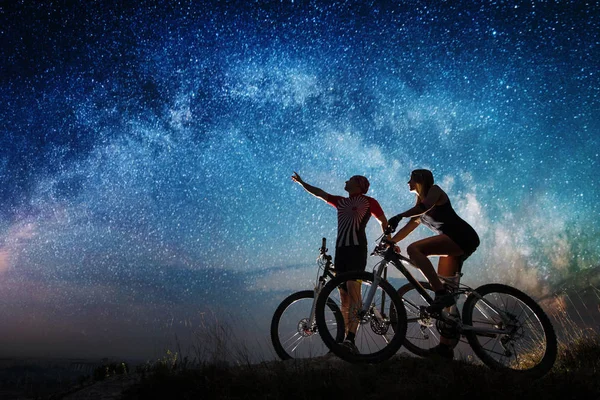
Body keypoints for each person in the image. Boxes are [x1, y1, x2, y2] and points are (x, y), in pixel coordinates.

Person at [386, 169, 480, 360]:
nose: (407, 183)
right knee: (447, 291)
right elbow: (408, 227)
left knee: (414, 250)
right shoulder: (418, 206)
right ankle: (445, 347)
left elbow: (424, 207)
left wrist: (399, 215)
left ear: (420, 179)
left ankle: (440, 294)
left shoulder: (435, 191)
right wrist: (391, 242)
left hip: (461, 236)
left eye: (410, 179)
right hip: (453, 242)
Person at [291, 172, 388, 354]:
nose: (346, 181)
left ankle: (351, 338)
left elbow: (383, 221)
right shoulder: (341, 201)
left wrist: (387, 240)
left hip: (357, 250)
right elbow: (320, 193)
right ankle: (344, 340)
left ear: (359, 185)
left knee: (353, 290)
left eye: (350, 180)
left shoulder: (369, 202)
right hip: (341, 252)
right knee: (343, 296)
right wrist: (302, 183)